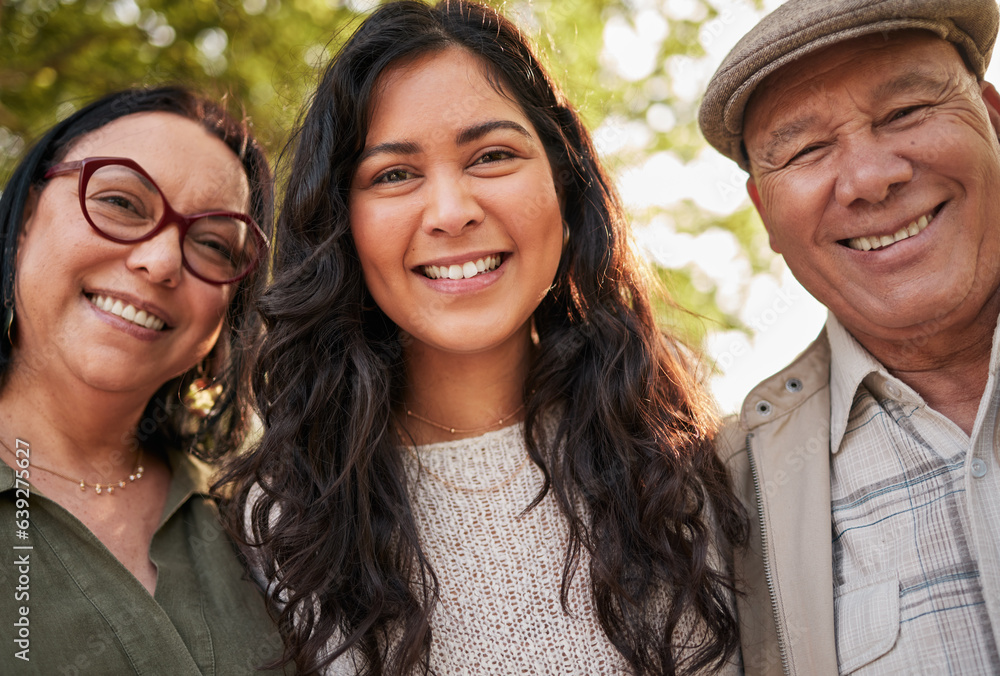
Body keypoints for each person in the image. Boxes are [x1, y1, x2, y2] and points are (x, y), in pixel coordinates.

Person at [220, 1, 747, 674]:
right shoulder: (276, 527)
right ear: (340, 222)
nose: (450, 212)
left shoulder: (695, 468)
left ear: (565, 182)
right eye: (394, 174)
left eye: (492, 156)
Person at [698, 0, 1000, 673]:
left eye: (905, 112)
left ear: (993, 117)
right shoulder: (730, 503)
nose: (870, 179)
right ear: (764, 216)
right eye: (806, 151)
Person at [0, 86, 286, 674]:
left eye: (211, 244)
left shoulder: (263, 520)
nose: (159, 262)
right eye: (123, 203)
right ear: (28, 218)